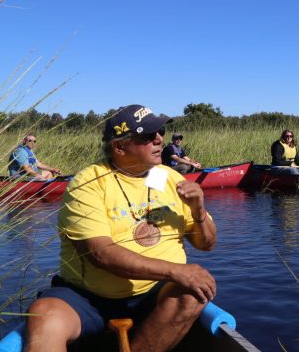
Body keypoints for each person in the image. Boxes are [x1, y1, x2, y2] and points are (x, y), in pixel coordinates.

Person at [23, 104, 217, 352]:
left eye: (159, 132)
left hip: (153, 294)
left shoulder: (171, 178)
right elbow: (101, 253)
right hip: (88, 297)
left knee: (193, 293)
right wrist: (176, 272)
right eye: (147, 135)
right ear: (119, 147)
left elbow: (207, 244)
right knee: (44, 316)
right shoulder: (89, 183)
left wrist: (198, 209)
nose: (159, 139)